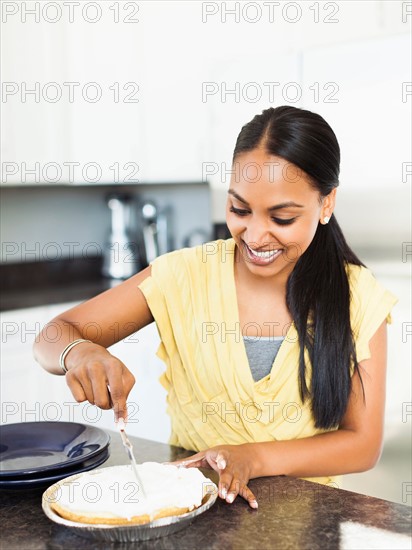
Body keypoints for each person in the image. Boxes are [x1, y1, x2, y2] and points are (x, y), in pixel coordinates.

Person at [34, 106, 398, 509]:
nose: (256, 235)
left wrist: (255, 457)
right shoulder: (185, 275)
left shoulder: (358, 296)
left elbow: (362, 444)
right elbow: (54, 335)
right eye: (239, 210)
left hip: (311, 524)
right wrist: (78, 351)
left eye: (282, 217)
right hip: (194, 514)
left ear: (326, 204)